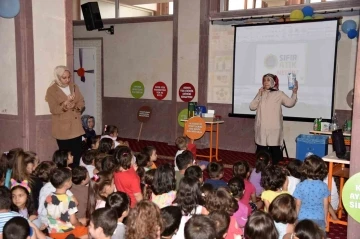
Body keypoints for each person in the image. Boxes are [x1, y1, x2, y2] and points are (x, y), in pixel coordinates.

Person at [249, 73, 298, 165]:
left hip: (274, 128)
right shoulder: (261, 93)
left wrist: (294, 92)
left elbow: (290, 103)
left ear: (274, 82)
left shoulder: (279, 94)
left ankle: (276, 171)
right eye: (264, 80)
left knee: (275, 152)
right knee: (261, 152)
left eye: (268, 80)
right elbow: (252, 106)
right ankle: (261, 170)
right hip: (262, 128)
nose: (266, 82)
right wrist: (259, 95)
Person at [45, 65, 85, 167]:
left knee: (77, 154)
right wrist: (65, 105)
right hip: (63, 129)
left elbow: (81, 102)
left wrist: (75, 106)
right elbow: (53, 109)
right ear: (58, 77)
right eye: (64, 78)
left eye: (69, 77)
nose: (67, 80)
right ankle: (65, 176)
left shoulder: (74, 86)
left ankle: (76, 177)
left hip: (76, 127)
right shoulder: (52, 90)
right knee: (65, 157)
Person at [44, 168, 88, 239]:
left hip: (53, 232)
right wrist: (79, 224)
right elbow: (73, 221)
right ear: (67, 184)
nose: (72, 181)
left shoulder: (48, 197)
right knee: (86, 232)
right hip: (67, 232)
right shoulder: (69, 200)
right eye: (71, 180)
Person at [293, 155, 330, 230]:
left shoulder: (300, 186)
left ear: (304, 169)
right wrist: (325, 218)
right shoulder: (324, 186)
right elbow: (326, 205)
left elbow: (297, 204)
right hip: (319, 218)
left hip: (302, 218)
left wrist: (295, 218)